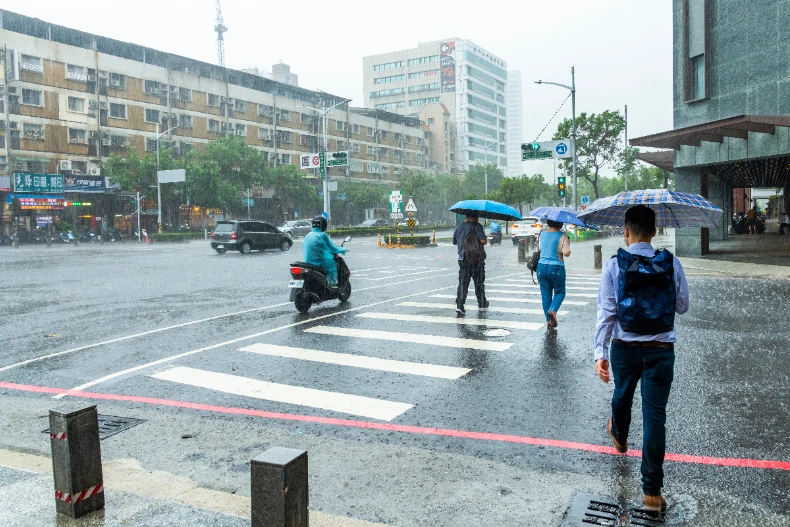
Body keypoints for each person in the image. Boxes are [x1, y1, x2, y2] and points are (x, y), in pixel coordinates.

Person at [593, 205, 689, 511]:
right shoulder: (671, 264)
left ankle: (619, 434)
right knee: (655, 417)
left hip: (623, 346)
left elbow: (607, 313)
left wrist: (600, 352)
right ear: (655, 231)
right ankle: (651, 492)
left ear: (626, 231)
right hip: (661, 350)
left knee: (622, 396)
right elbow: (683, 306)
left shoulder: (614, 266)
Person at [536, 219, 571, 328]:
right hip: (556, 268)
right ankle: (553, 310)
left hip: (541, 267)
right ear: (560, 223)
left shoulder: (541, 234)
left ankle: (549, 320)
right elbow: (566, 253)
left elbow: (538, 250)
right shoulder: (563, 236)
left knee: (546, 295)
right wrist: (567, 246)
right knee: (560, 292)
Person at [452, 214, 488, 315]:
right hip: (477, 260)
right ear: (475, 217)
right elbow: (483, 241)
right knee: (479, 283)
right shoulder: (477, 226)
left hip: (463, 259)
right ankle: (481, 303)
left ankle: (460, 305)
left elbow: (454, 241)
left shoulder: (459, 227)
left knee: (463, 283)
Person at [302, 215, 347, 287]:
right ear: (323, 225)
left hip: (309, 262)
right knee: (332, 267)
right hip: (320, 263)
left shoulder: (308, 235)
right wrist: (343, 249)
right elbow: (333, 249)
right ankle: (332, 285)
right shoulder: (323, 235)